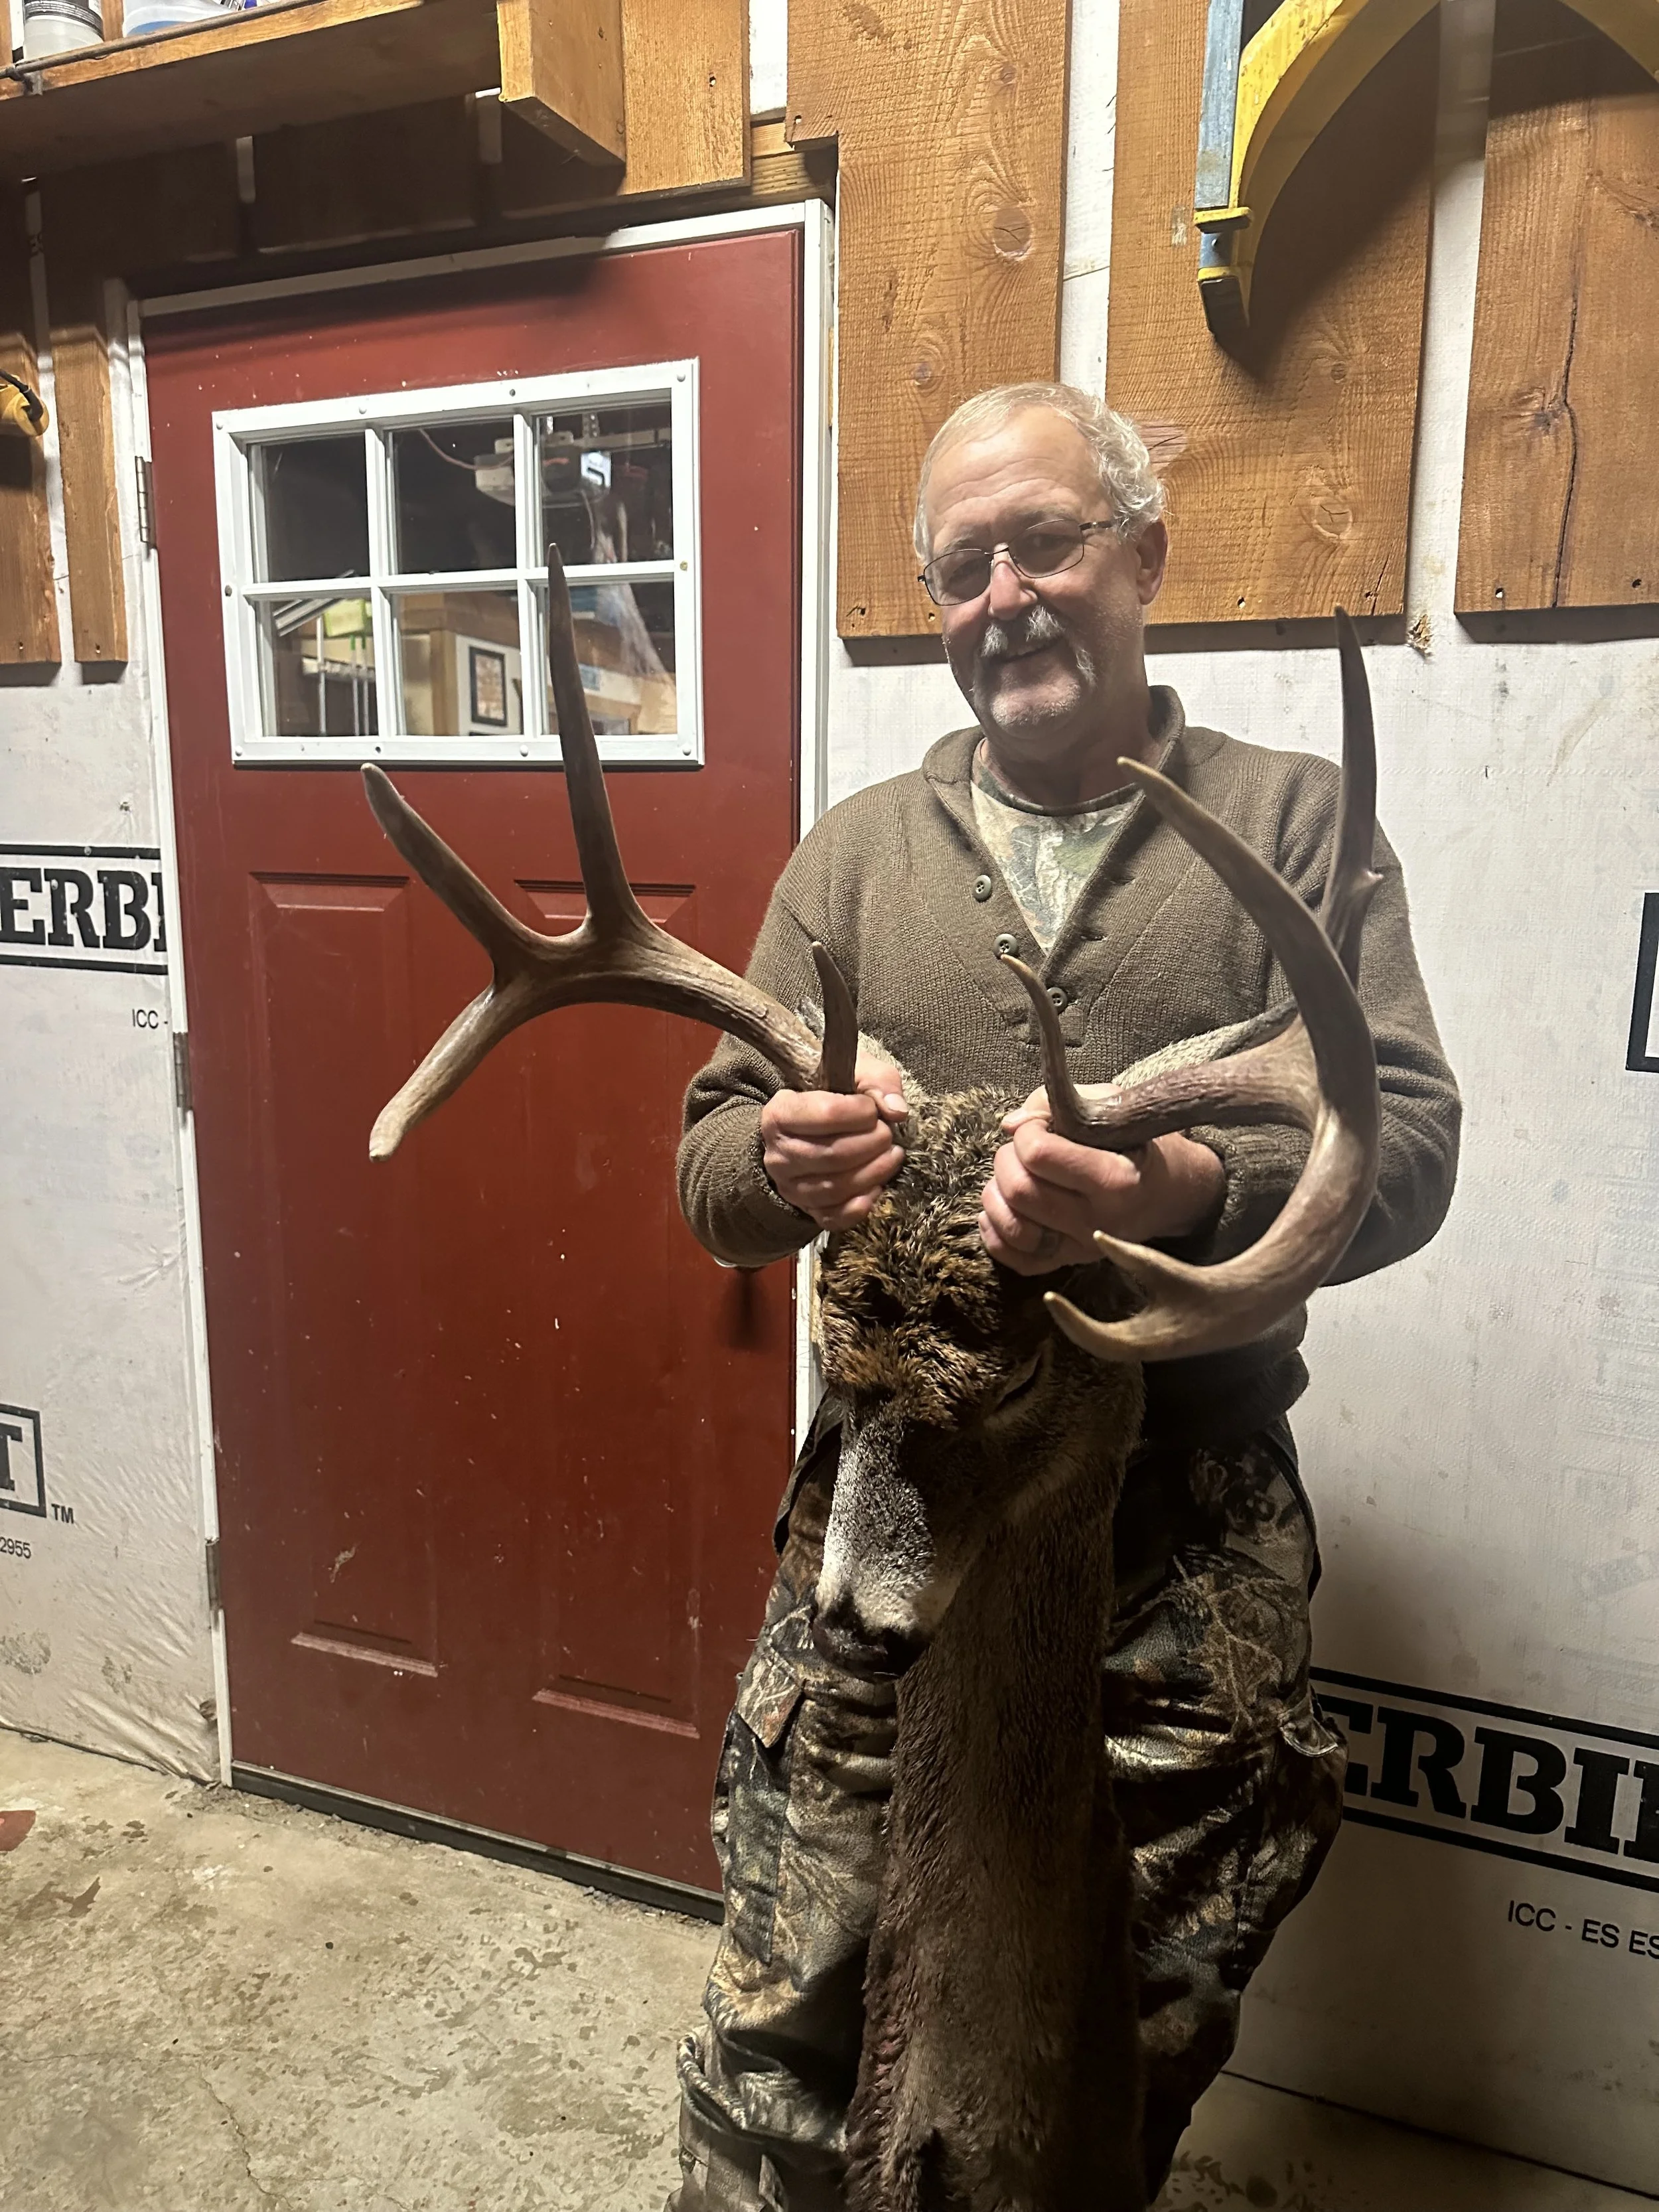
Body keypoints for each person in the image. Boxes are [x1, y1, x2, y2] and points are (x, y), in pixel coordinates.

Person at [666, 384, 1461, 2211]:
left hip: (1179, 1522)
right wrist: (777, 1167)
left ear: (1141, 557)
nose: (1004, 594)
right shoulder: (853, 852)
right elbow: (709, 1167)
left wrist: (1173, 1187)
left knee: (1136, 2000)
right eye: (962, 567)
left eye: (1045, 542)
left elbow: (1402, 1146)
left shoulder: (1292, 824)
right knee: (792, 1992)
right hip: (895, 1508)